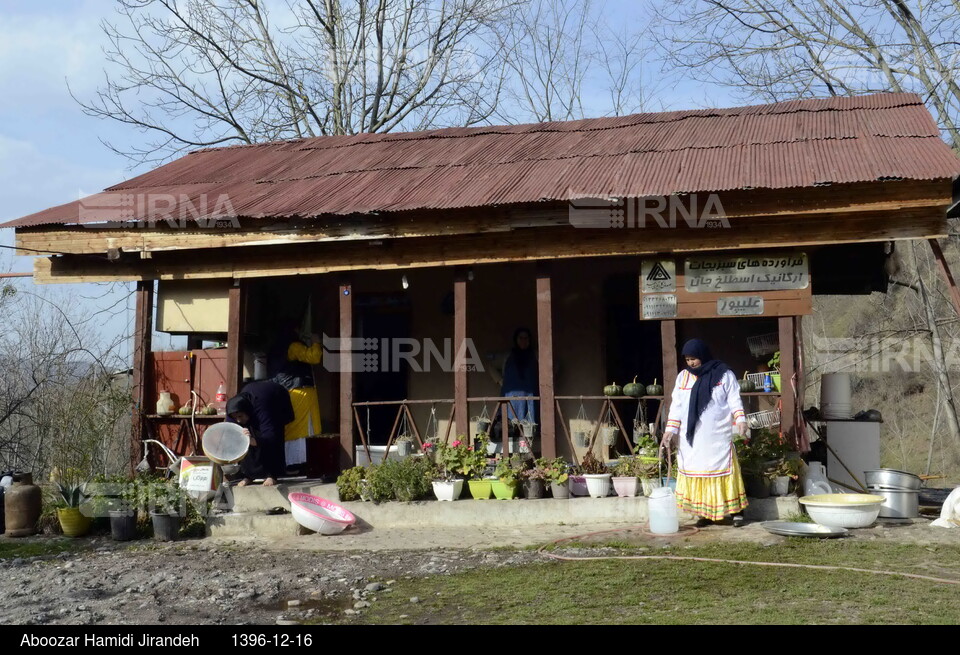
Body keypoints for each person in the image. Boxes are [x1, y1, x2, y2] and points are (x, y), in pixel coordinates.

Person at [661, 338, 749, 527]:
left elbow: (734, 398)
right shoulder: (683, 377)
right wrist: (670, 430)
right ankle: (706, 513)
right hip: (692, 437)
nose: (691, 363)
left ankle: (736, 513)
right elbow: (677, 405)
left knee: (722, 471)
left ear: (703, 355)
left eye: (694, 358)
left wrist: (740, 419)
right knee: (699, 472)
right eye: (688, 359)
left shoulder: (723, 374)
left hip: (717, 434)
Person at [268, 323, 323, 472]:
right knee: (304, 428)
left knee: (291, 428)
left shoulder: (276, 347)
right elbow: (314, 357)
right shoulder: (293, 346)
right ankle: (300, 463)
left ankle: (291, 462)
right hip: (301, 391)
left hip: (287, 390)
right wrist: (316, 341)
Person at [226, 380, 295, 487]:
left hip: (276, 399)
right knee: (245, 436)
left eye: (240, 416)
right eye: (235, 418)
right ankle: (248, 475)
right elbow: (230, 431)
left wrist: (255, 441)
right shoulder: (233, 409)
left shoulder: (263, 409)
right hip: (253, 400)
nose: (238, 420)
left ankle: (271, 475)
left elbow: (271, 437)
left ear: (246, 412)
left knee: (271, 436)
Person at [489, 327, 539, 426]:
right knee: (510, 426)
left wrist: (546, 383)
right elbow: (491, 366)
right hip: (510, 397)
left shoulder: (536, 355)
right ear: (516, 340)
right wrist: (500, 381)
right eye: (521, 338)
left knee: (529, 427)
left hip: (530, 397)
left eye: (526, 338)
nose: (523, 341)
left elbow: (555, 364)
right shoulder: (507, 356)